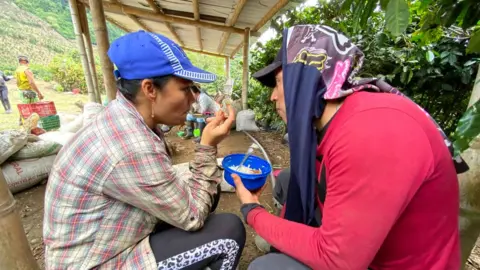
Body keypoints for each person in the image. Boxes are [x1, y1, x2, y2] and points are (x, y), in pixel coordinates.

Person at [233, 25, 467, 270]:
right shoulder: (330, 122)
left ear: (305, 80)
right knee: (289, 180)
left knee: (268, 267)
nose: (272, 96)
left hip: (382, 263)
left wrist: (254, 213)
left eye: (279, 82)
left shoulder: (374, 132)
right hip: (367, 248)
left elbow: (337, 260)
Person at [43, 31, 246, 270]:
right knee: (228, 233)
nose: (193, 98)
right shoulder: (131, 145)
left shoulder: (124, 118)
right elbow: (192, 217)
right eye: (186, 88)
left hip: (107, 244)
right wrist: (207, 146)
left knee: (207, 195)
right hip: (99, 262)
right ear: (150, 89)